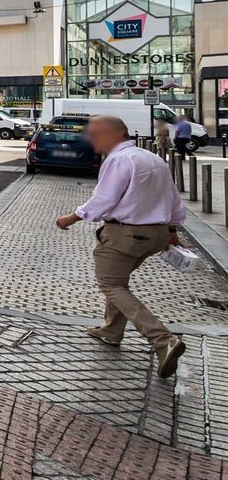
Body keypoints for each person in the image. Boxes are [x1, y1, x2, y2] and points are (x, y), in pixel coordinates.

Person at [54, 115, 187, 378]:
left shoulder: (118, 160)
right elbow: (173, 197)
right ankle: (111, 331)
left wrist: (70, 218)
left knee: (111, 285)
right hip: (156, 234)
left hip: (125, 234)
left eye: (95, 134)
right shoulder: (153, 158)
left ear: (113, 134)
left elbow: (103, 200)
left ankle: (163, 340)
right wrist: (171, 231)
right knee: (118, 282)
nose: (91, 140)